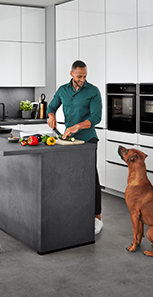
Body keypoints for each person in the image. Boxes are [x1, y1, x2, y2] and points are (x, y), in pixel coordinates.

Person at [46, 60, 103, 234]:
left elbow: (96, 117)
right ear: (71, 74)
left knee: (90, 177)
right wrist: (51, 115)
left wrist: (77, 126)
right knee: (71, 177)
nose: (83, 79)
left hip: (87, 139)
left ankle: (97, 217)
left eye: (85, 76)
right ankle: (75, 213)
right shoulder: (63, 90)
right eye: (79, 76)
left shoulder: (93, 91)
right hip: (69, 140)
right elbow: (52, 106)